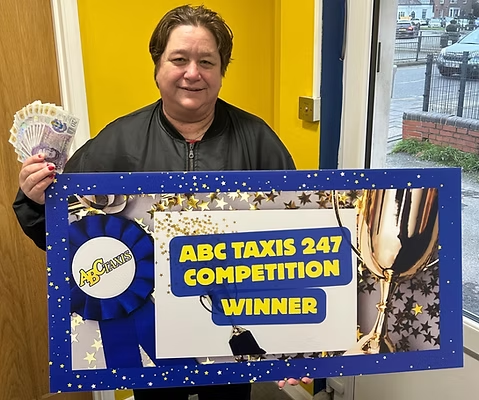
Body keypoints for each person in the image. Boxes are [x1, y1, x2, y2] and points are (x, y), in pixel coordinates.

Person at [13, 4, 312, 400]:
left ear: (222, 70)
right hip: (148, 326)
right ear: (157, 66)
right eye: (179, 59)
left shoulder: (259, 139)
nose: (193, 73)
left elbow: (297, 243)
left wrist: (295, 343)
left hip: (232, 322)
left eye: (207, 61)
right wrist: (37, 199)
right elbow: (66, 232)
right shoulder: (117, 141)